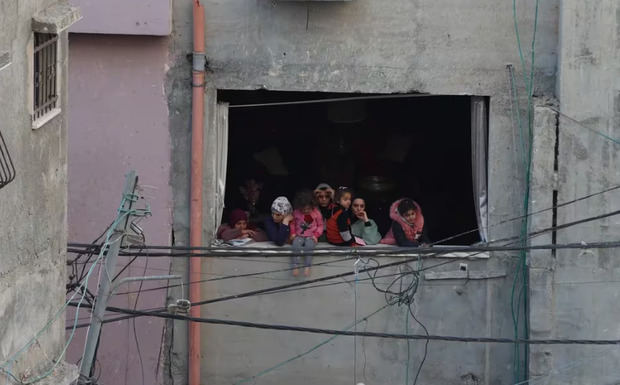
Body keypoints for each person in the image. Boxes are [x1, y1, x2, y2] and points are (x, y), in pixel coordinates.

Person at [290, 190, 323, 277]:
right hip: (299, 235)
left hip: (311, 236)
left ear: (312, 206)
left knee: (309, 247)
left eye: (308, 209)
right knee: (295, 245)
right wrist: (293, 233)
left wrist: (316, 235)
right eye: (303, 209)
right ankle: (295, 266)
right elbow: (292, 223)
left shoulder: (316, 213)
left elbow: (320, 226)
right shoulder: (296, 212)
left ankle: (307, 266)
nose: (305, 211)